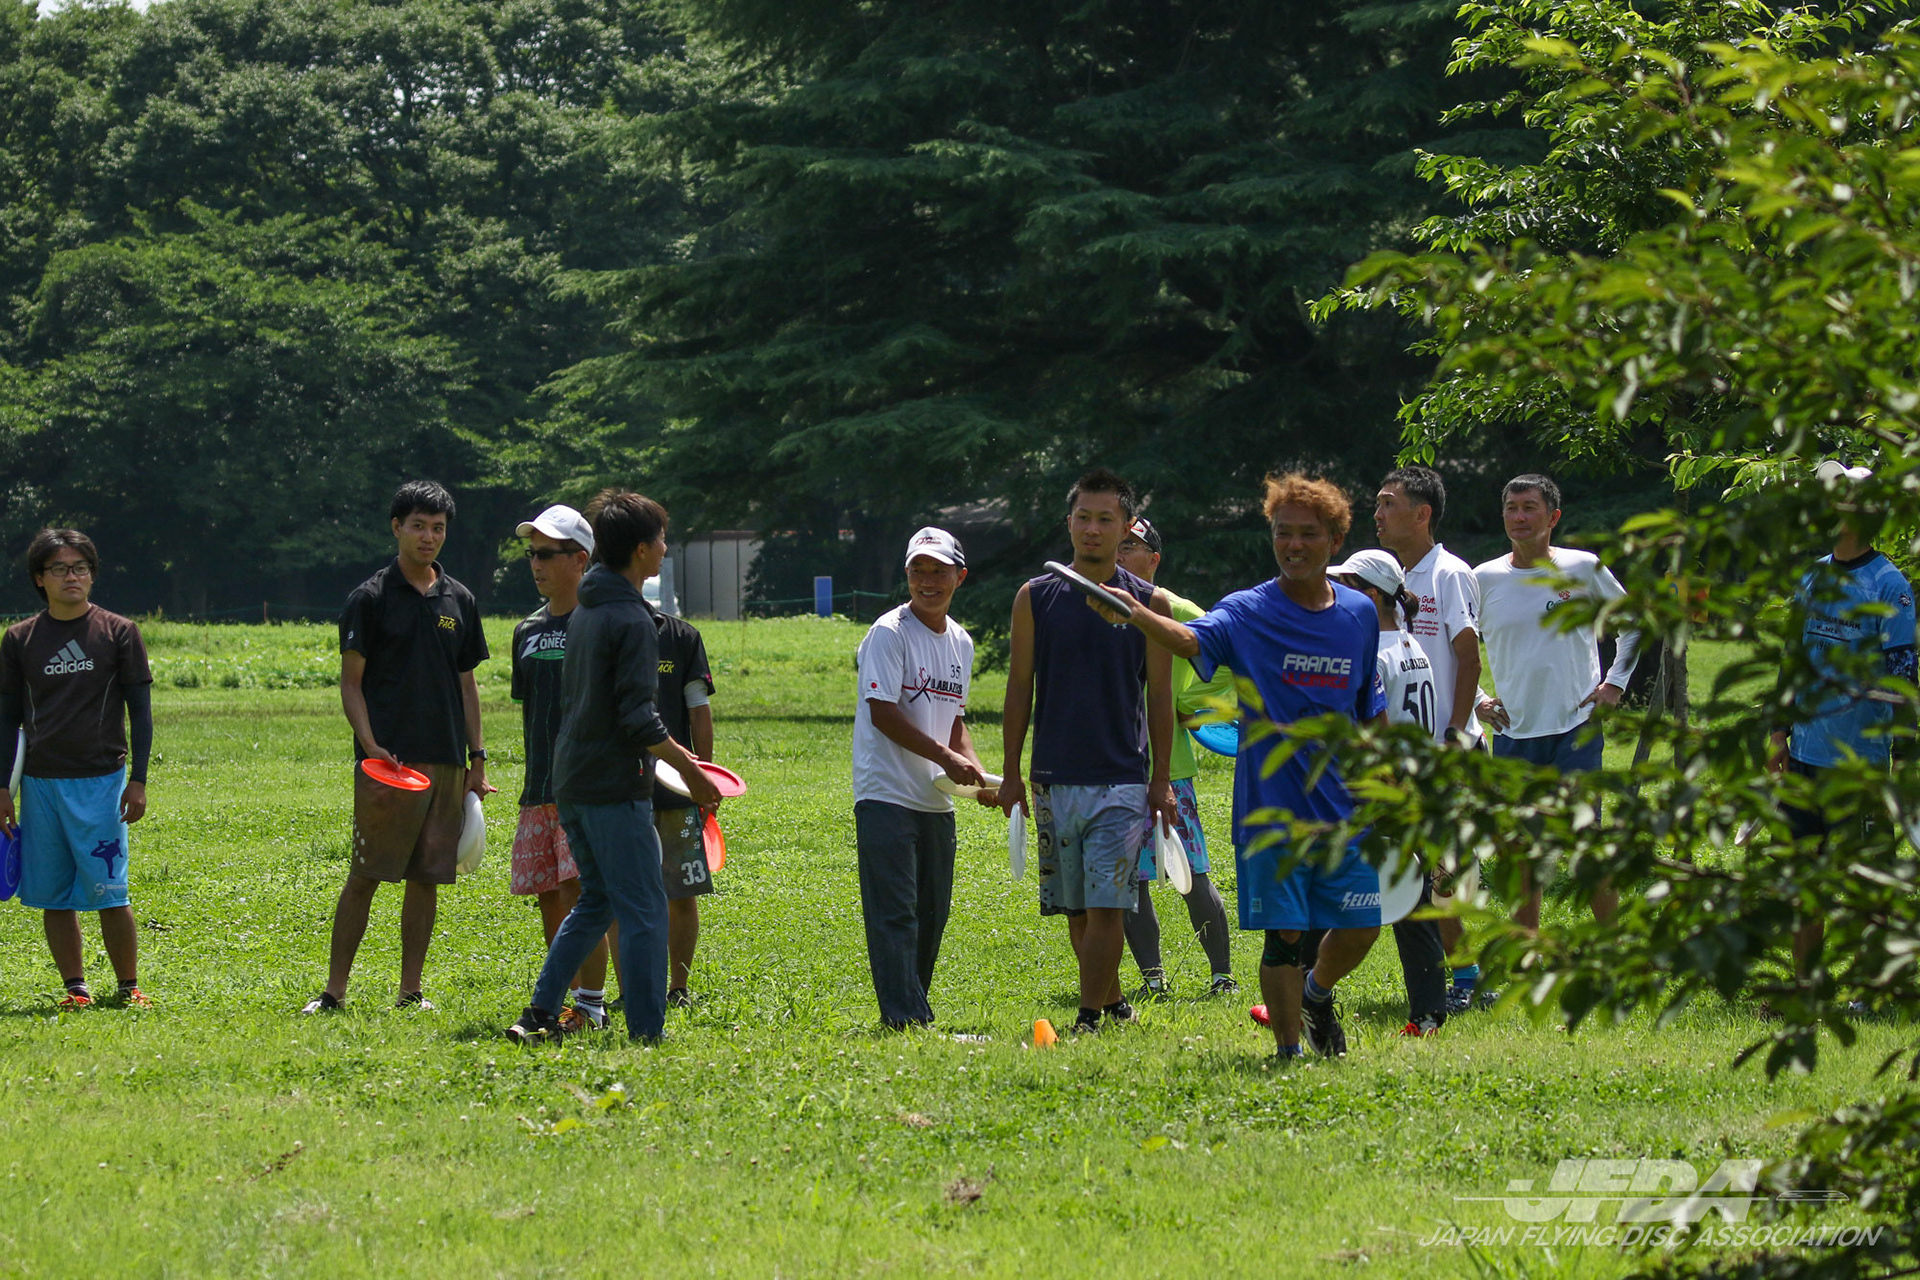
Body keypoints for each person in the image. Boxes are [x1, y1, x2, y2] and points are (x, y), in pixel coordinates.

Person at [1092, 474, 1387, 1059]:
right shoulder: (1248, 611)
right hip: (1271, 809)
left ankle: (1316, 994)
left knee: (1362, 926)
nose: (1293, 545)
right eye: (1283, 533)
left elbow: (1368, 711)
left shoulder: (1359, 613)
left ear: (1335, 540)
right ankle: (1288, 1052)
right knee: (1285, 935)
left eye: (1308, 534)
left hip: (1343, 806)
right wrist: (1137, 614)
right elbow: (1188, 640)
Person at [506, 490, 720, 1045]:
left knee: (597, 899)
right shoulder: (630, 617)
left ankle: (538, 1013)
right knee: (645, 908)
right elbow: (638, 718)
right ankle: (648, 1032)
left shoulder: (588, 608)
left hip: (571, 780)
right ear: (642, 550)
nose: (666, 549)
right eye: (662, 540)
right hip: (612, 785)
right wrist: (691, 769)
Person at [999, 468, 1178, 1037]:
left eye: (1106, 519)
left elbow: (1160, 699)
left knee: (1108, 905)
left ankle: (1088, 1018)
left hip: (1121, 777)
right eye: (1084, 517)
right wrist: (1010, 773)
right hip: (1053, 777)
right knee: (1076, 909)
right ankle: (1114, 999)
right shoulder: (1035, 597)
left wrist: (1161, 780)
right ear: (1069, 523)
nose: (1093, 529)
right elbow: (1019, 688)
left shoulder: (1149, 603)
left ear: (1126, 528)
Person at [306, 481, 489, 1013]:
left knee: (427, 878)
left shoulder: (460, 599)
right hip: (388, 765)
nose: (428, 537)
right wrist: (370, 745)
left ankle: (411, 991)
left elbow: (468, 686)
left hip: (447, 760)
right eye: (418, 526)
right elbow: (351, 684)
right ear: (396, 528)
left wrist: (477, 758)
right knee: (365, 874)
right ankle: (334, 992)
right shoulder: (370, 598)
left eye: (438, 528)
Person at [1473, 473, 1640, 930]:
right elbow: (1455, 646)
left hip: (1575, 729)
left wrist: (1615, 684)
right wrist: (1478, 701)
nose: (1519, 517)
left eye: (1530, 507)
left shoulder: (1583, 568)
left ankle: (1611, 950)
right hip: (1514, 734)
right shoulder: (1482, 578)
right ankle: (1528, 952)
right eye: (1511, 508)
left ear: (1553, 517)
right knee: (1520, 852)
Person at [1771, 460, 1915, 982]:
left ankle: (1869, 989)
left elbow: (1904, 679)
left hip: (1859, 765)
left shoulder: (1889, 585)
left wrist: (1904, 763)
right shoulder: (1812, 575)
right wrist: (1778, 733)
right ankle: (1805, 985)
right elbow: (1792, 659)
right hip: (1804, 758)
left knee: (1866, 885)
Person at [0, 530, 154, 1009]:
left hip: (102, 781)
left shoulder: (119, 631)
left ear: (92, 574)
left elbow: (141, 712)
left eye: (81, 567)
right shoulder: (19, 639)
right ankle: (76, 989)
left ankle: (128, 987)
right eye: (60, 568)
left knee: (111, 890)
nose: (72, 576)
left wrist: (138, 780)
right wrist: (2, 787)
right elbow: (7, 719)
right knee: (53, 894)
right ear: (39, 578)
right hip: (40, 783)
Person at [852, 527, 996, 1029]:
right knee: (895, 913)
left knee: (932, 914)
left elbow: (955, 721)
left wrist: (977, 776)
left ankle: (912, 1012)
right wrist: (947, 758)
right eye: (918, 570)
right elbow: (883, 713)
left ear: (960, 576)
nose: (927, 581)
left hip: (936, 798)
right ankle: (905, 1017)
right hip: (886, 794)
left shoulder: (960, 641)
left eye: (938, 571)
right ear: (907, 574)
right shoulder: (889, 632)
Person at [1373, 464, 1484, 1008]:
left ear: (1422, 514)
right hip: (1408, 750)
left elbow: (1469, 658)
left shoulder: (1449, 573)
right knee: (1419, 863)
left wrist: (1455, 734)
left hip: (1444, 748)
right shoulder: (1388, 577)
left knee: (1442, 868)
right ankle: (1449, 977)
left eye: (1388, 503)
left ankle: (1467, 979)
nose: (1377, 514)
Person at [1112, 516, 1238, 998]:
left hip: (1170, 770)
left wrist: (1192, 705)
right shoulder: (1099, 602)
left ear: (1154, 559)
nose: (1120, 554)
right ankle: (1153, 980)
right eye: (1117, 545)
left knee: (1192, 872)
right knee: (1130, 881)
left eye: (1130, 546)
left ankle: (1222, 976)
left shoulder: (1175, 607)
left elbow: (1225, 661)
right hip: (1115, 767)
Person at [1326, 548, 1448, 1036]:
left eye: (1345, 585)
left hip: (1381, 791)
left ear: (1372, 595)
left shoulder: (1372, 652)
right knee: (1415, 905)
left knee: (1330, 892)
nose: (1334, 593)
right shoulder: (1412, 644)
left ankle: (1302, 997)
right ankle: (1428, 1013)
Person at [509, 504, 613, 1031]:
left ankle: (592, 1005)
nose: (537, 563)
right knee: (549, 895)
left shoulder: (601, 623)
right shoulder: (525, 630)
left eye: (548, 554)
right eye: (533, 554)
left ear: (581, 559)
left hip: (587, 787)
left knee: (579, 892)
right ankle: (568, 999)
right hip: (539, 786)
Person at [647, 571, 719, 1009]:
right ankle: (633, 989)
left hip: (677, 788)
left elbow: (699, 711)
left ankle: (678, 988)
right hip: (621, 787)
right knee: (620, 894)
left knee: (682, 890)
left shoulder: (682, 637)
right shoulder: (598, 628)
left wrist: (703, 777)